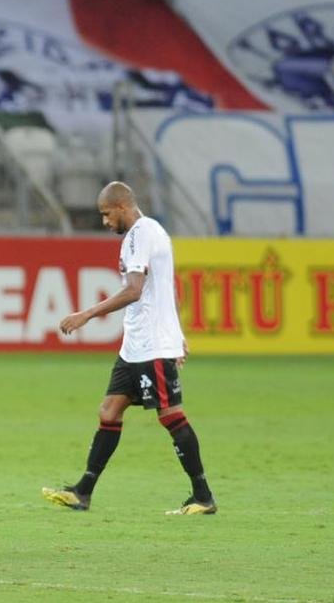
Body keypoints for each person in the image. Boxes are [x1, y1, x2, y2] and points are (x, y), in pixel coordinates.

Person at [43, 181, 217, 515]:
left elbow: (135, 290)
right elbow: (166, 288)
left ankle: (203, 496)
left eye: (107, 214)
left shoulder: (140, 233)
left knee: (170, 415)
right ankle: (83, 492)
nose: (105, 222)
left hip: (151, 346)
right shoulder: (149, 233)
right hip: (135, 347)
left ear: (122, 206)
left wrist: (87, 314)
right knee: (109, 411)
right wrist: (178, 334)